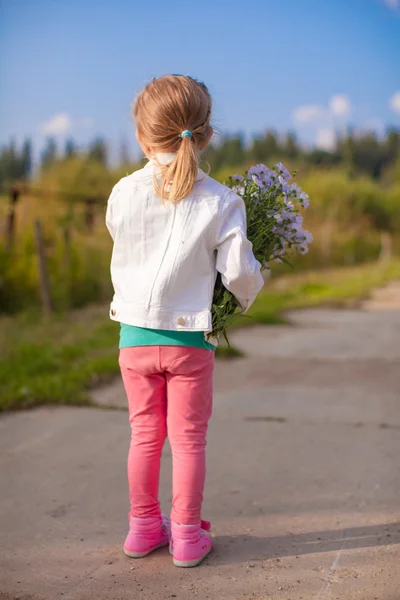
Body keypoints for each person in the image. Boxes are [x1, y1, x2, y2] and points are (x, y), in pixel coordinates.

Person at [106, 75, 264, 568]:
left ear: (141, 137)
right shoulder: (221, 200)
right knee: (189, 439)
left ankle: (142, 528)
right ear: (207, 133)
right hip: (190, 339)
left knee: (144, 434)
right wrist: (241, 300)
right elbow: (239, 272)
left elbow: (122, 243)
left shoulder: (123, 192)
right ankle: (188, 537)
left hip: (133, 336)